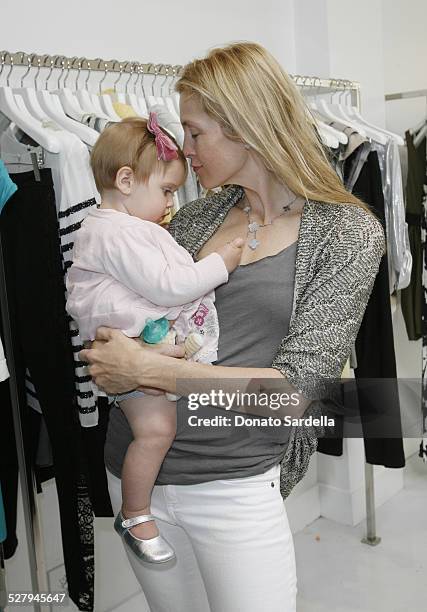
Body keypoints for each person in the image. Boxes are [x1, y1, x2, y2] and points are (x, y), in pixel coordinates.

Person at [80, 42, 386, 612]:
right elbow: (128, 317)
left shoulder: (347, 232)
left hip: (234, 484)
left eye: (195, 134)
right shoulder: (193, 217)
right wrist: (119, 353)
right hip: (136, 470)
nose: (184, 151)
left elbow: (297, 392)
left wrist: (150, 370)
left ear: (245, 127)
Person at [66, 114, 245, 564]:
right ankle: (135, 512)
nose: (171, 203)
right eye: (166, 190)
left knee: (161, 423)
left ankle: (137, 509)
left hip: (140, 344)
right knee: (157, 430)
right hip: (130, 350)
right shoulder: (113, 232)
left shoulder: (125, 228)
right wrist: (221, 263)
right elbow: (167, 286)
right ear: (126, 180)